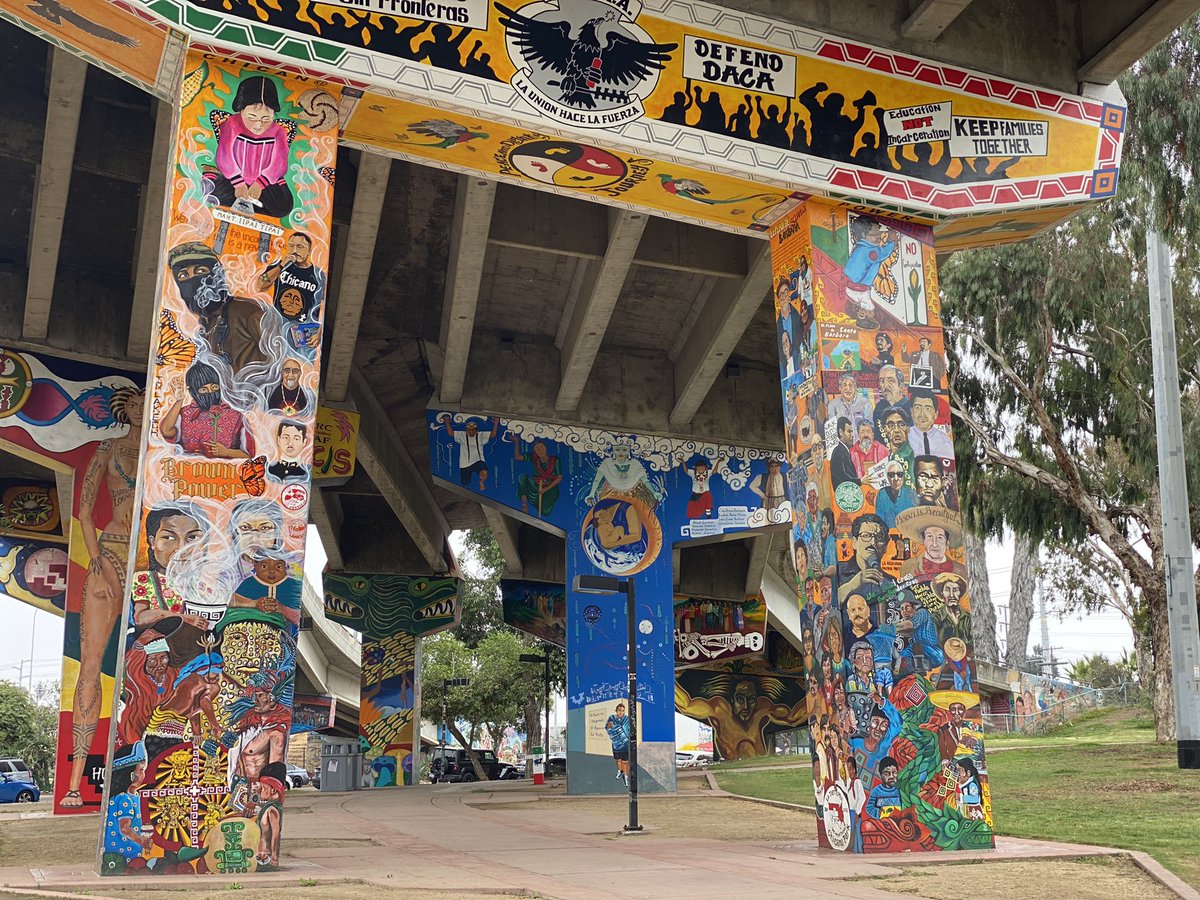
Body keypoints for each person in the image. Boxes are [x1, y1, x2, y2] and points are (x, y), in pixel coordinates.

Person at [64, 385, 144, 808]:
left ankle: (145, 770)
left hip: (151, 558)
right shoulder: (108, 447)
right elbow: (84, 509)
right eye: (132, 403)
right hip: (111, 552)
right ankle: (76, 780)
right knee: (91, 661)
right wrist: (95, 559)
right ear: (123, 409)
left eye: (145, 403)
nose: (138, 409)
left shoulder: (159, 450)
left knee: (152, 664)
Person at [167, 242, 267, 374]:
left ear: (217, 274)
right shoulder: (204, 326)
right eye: (184, 275)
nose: (194, 280)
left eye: (201, 271)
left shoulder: (247, 311)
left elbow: (277, 361)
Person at [203, 75, 294, 218]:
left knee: (283, 208)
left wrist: (261, 183)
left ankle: (248, 204)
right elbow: (224, 155)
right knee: (210, 195)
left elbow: (280, 163)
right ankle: (214, 175)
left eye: (266, 118)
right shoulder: (231, 124)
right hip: (235, 178)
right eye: (252, 117)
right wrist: (238, 182)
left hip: (265, 181)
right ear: (242, 111)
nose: (258, 125)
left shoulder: (278, 132)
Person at [130, 503, 210, 658]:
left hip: (196, 654)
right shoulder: (145, 579)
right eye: (169, 537)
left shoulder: (201, 581)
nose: (181, 548)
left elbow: (226, 599)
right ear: (152, 542)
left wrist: (253, 603)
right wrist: (184, 618)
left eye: (192, 538)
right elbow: (140, 618)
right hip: (157, 654)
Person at [160, 361, 255, 459]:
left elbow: (248, 455)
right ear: (193, 392)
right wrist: (179, 401)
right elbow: (165, 431)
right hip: (187, 470)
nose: (210, 392)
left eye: (214, 387)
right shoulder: (185, 414)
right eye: (203, 390)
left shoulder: (236, 417)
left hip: (225, 472)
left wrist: (227, 452)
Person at [257, 232, 325, 331]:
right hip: (276, 326)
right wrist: (281, 266)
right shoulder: (279, 266)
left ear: (309, 251)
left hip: (302, 330)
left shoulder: (319, 275)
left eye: (300, 247)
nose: (294, 250)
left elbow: (322, 305)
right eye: (291, 246)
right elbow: (259, 286)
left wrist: (319, 330)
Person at [101, 742, 152, 869]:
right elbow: (124, 828)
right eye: (141, 770)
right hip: (126, 853)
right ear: (131, 775)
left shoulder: (125, 796)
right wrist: (143, 842)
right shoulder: (124, 798)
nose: (144, 774)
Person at [842, 216, 895, 329]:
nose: (878, 237)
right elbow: (883, 253)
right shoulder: (871, 251)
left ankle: (857, 312)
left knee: (862, 303)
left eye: (878, 234)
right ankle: (863, 321)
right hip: (859, 287)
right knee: (868, 306)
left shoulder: (860, 248)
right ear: (863, 236)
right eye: (874, 235)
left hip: (851, 284)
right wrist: (891, 241)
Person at [836, 514, 894, 604]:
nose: (873, 542)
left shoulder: (891, 582)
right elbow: (828, 603)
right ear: (855, 542)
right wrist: (852, 585)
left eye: (879, 537)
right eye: (866, 535)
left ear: (885, 547)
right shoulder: (838, 572)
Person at [896, 508, 967, 581]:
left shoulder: (961, 571)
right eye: (929, 537)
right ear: (924, 541)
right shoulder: (908, 566)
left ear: (947, 543)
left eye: (940, 538)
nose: (934, 544)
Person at [440, 414, 498, 490]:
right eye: (469, 430)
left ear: (476, 430)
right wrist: (447, 422)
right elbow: (451, 433)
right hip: (465, 463)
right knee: (465, 483)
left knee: (484, 473)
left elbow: (493, 435)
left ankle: (481, 482)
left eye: (473, 430)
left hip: (478, 460)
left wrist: (496, 423)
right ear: (466, 430)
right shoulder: (462, 435)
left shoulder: (480, 435)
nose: (471, 432)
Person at [515, 439, 561, 516]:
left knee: (545, 512)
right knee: (522, 477)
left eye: (541, 447)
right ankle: (524, 498)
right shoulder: (534, 458)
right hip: (536, 486)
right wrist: (516, 442)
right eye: (537, 449)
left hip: (550, 489)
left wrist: (545, 489)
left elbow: (559, 478)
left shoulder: (555, 460)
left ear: (546, 448)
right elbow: (517, 457)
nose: (540, 450)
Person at [254, 761, 287, 867]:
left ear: (273, 789)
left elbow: (276, 834)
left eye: (264, 788)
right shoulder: (268, 807)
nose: (260, 791)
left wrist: (274, 857)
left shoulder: (272, 810)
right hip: (262, 854)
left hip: (266, 855)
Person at [907, 390, 954, 458]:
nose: (922, 414)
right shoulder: (904, 438)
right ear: (911, 411)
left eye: (928, 409)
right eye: (917, 408)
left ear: (935, 414)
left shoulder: (945, 440)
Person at [878, 405, 917, 486]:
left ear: (907, 428)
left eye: (901, 424)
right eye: (891, 425)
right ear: (885, 430)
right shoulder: (884, 456)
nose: (896, 430)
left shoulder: (912, 456)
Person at [872, 365, 911, 440]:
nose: (885, 385)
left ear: (901, 386)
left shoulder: (911, 409)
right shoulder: (879, 407)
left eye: (891, 380)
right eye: (882, 381)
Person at [874, 460, 915, 529]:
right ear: (887, 477)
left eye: (899, 474)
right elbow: (879, 522)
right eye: (892, 475)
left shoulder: (911, 494)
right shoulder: (882, 494)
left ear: (903, 476)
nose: (896, 479)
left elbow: (915, 522)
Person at [680, 455, 714, 519]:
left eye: (702, 467)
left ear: (705, 468)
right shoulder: (693, 473)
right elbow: (686, 470)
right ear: (696, 468)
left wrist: (718, 462)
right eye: (698, 467)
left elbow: (714, 471)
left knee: (708, 495)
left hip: (704, 494)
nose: (700, 468)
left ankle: (708, 511)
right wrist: (683, 462)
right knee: (692, 510)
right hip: (696, 494)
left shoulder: (708, 473)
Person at [829, 417, 859, 490]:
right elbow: (842, 477)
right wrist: (860, 481)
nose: (852, 435)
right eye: (849, 431)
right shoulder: (838, 452)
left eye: (852, 431)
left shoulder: (844, 451)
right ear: (841, 432)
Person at [605, 702, 631, 783]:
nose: (621, 712)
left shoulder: (626, 719)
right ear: (616, 710)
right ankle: (620, 771)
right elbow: (608, 727)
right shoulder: (611, 718)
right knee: (618, 760)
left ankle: (626, 776)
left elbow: (629, 729)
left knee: (625, 762)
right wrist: (611, 726)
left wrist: (615, 727)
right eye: (619, 710)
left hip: (625, 744)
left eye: (623, 710)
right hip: (616, 744)